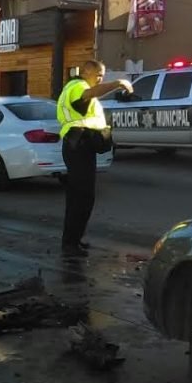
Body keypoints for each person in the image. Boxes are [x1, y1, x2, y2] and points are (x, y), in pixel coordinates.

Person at [56, 60, 132, 257]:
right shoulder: (77, 86)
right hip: (78, 145)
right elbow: (88, 94)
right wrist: (117, 83)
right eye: (98, 74)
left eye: (102, 75)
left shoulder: (78, 87)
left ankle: (74, 240)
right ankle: (70, 244)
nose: (100, 79)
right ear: (86, 72)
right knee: (82, 197)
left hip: (82, 146)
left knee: (81, 197)